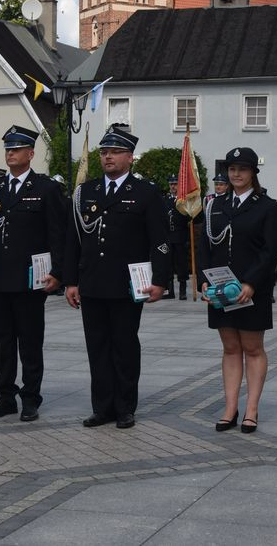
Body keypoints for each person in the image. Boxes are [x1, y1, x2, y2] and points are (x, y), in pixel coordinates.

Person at [63, 126, 171, 429]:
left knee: (124, 347)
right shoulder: (86, 191)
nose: (108, 156)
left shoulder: (145, 192)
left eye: (115, 152)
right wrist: (71, 281)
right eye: (104, 152)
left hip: (127, 285)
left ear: (130, 157)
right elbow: (73, 240)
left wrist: (160, 281)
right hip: (93, 283)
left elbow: (160, 241)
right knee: (96, 348)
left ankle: (125, 406)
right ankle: (102, 407)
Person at [0, 126, 66, 422]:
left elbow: (57, 235)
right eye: (8, 149)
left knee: (29, 341)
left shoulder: (46, 189)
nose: (10, 153)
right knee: (2, 340)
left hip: (31, 278)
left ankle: (30, 397)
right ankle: (5, 396)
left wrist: (57, 272)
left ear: (31, 153)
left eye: (17, 149)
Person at [197, 147, 277, 434]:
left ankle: (251, 409)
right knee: (230, 348)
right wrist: (203, 280)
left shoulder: (268, 206)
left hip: (250, 291)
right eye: (232, 169)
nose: (236, 174)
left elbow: (271, 251)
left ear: (253, 173)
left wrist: (251, 283)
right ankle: (230, 408)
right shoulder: (214, 205)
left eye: (242, 169)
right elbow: (205, 247)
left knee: (253, 348)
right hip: (221, 290)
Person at [164, 174, 191, 300]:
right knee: (168, 263)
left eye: (175, 184)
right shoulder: (165, 199)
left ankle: (182, 291)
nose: (173, 186)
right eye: (171, 184)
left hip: (180, 236)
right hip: (168, 236)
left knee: (182, 264)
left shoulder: (184, 200)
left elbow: (190, 217)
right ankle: (169, 291)